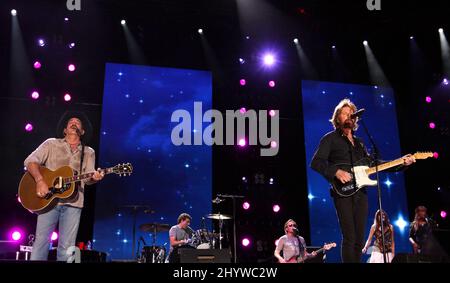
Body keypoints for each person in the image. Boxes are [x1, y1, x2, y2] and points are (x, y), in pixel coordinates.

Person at [310, 98, 415, 262]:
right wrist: (336, 171)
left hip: (361, 192)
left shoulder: (359, 143)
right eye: (344, 113)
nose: (348, 116)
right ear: (338, 118)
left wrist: (402, 163)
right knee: (350, 237)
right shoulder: (330, 138)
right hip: (342, 192)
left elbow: (375, 164)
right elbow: (316, 162)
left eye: (351, 114)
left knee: (359, 238)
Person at [25, 111, 104, 261]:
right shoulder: (51, 144)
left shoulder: (88, 152)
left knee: (67, 248)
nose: (74, 123)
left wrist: (95, 177)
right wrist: (40, 180)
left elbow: (88, 179)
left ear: (83, 131)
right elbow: (30, 161)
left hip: (74, 202)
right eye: (71, 122)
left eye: (78, 122)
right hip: (48, 201)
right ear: (65, 130)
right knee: (41, 242)